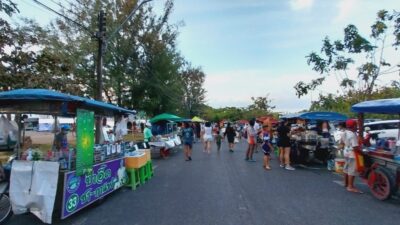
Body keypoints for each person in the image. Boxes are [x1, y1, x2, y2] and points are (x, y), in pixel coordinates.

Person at [342, 119, 363, 193]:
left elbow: (342, 142)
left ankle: (345, 183)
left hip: (346, 152)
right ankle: (350, 186)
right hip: (352, 154)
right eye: (356, 125)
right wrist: (362, 152)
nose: (357, 127)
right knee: (352, 170)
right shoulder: (352, 135)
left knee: (346, 168)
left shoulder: (345, 132)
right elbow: (355, 147)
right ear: (354, 126)